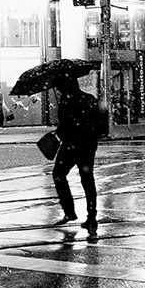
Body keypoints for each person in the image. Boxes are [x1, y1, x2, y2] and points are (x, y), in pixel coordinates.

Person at [49, 75, 104, 229]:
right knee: (87, 180)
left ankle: (69, 211)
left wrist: (57, 134)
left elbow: (65, 126)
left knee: (58, 174)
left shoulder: (66, 101)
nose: (58, 90)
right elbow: (99, 122)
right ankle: (91, 216)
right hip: (88, 145)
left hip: (71, 146)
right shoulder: (89, 99)